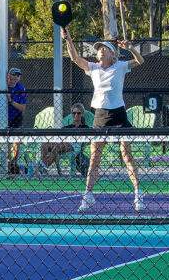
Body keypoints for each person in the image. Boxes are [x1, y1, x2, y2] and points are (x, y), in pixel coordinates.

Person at [62, 28, 145, 212]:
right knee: (94, 158)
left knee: (126, 156)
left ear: (111, 53)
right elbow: (76, 58)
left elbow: (140, 60)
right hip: (100, 116)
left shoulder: (121, 66)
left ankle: (138, 194)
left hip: (119, 115)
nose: (99, 51)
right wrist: (68, 39)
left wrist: (131, 48)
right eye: (98, 49)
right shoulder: (93, 68)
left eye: (103, 48)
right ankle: (88, 195)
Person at [0, 67, 27, 174]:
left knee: (16, 141)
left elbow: (22, 107)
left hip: (16, 118)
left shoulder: (21, 88)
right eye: (13, 75)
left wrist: (11, 101)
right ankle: (5, 164)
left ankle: (13, 163)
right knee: (3, 141)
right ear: (8, 75)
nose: (15, 77)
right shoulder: (0, 84)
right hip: (1, 118)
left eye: (17, 76)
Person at [38, 103, 90, 174]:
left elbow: (88, 140)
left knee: (56, 147)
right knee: (45, 144)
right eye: (74, 113)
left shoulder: (85, 127)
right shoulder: (68, 127)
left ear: (82, 114)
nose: (76, 115)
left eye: (78, 113)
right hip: (62, 144)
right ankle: (43, 165)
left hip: (75, 146)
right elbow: (59, 136)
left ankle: (42, 166)